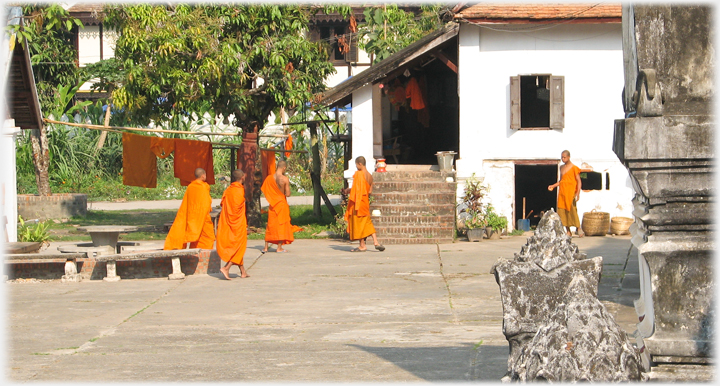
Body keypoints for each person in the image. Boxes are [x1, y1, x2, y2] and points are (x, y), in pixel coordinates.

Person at [164, 167, 216, 250]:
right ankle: (202, 258)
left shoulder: (191, 187)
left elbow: (187, 202)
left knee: (198, 235)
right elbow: (207, 202)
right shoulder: (204, 187)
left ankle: (193, 255)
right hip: (203, 217)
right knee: (207, 237)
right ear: (203, 176)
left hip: (191, 216)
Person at [344, 156, 385, 252]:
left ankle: (362, 245)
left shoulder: (359, 174)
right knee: (367, 223)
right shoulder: (370, 176)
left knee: (359, 224)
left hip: (358, 203)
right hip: (365, 202)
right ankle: (376, 242)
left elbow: (355, 189)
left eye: (356, 165)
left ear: (360, 164)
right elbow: (370, 191)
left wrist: (347, 190)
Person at [260, 160, 302, 253]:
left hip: (273, 205)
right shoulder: (284, 179)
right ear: (284, 168)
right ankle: (279, 248)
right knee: (281, 225)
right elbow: (288, 194)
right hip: (281, 204)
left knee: (270, 225)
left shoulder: (269, 178)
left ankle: (266, 248)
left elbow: (265, 190)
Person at [217, 169, 249, 280]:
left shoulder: (229, 190)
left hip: (229, 221)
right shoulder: (239, 191)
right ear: (243, 178)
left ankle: (243, 272)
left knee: (238, 246)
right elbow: (237, 208)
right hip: (237, 223)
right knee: (239, 246)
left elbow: (223, 204)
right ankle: (226, 268)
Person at [548, 150, 584, 237]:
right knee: (562, 211)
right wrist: (553, 186)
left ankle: (578, 228)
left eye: (564, 157)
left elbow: (579, 181)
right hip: (562, 193)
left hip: (570, 193)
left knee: (572, 210)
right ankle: (568, 231)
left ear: (568, 157)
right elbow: (561, 181)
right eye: (562, 157)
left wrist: (578, 193)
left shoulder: (574, 168)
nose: (563, 159)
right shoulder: (561, 168)